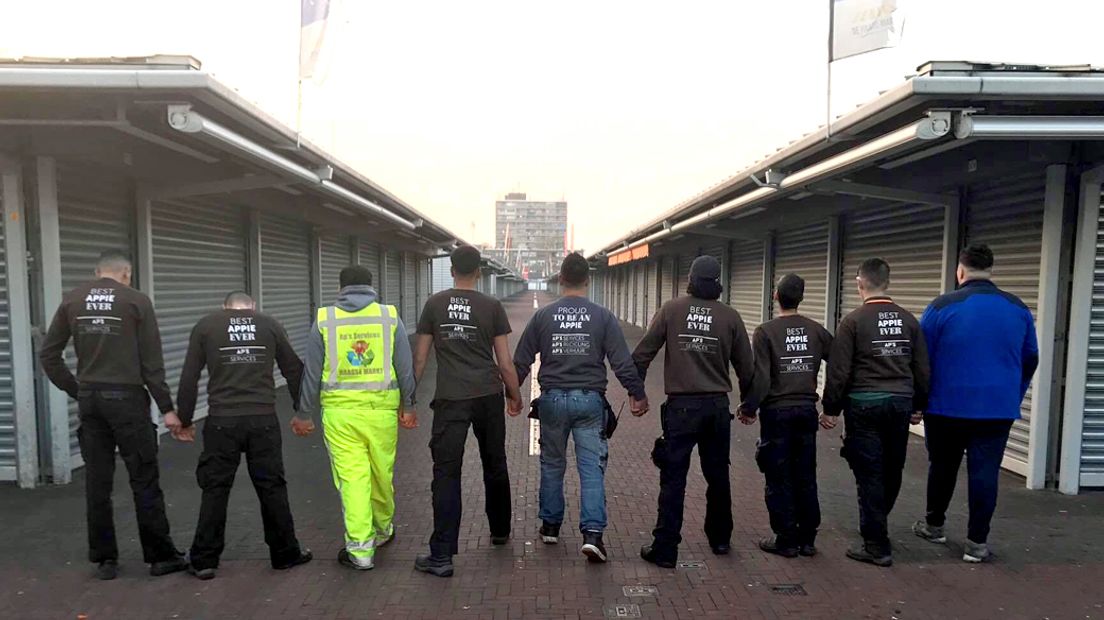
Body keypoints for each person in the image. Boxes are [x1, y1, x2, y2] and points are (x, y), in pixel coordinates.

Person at [39, 250, 187, 580]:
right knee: (144, 478)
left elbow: (49, 355)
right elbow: (151, 362)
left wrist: (78, 389)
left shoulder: (73, 300)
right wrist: (167, 409)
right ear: (126, 274)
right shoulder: (136, 301)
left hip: (91, 400)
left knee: (97, 480)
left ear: (97, 272)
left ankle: (105, 560)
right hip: (128, 400)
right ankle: (161, 557)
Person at [513, 253, 649, 564]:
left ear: (560, 279)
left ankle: (550, 526)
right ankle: (592, 536)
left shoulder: (543, 317)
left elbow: (521, 360)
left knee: (552, 466)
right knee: (591, 470)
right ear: (587, 280)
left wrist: (512, 395)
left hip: (551, 400)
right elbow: (621, 362)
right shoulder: (602, 317)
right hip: (589, 401)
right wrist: (637, 394)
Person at [912, 244, 1039, 563]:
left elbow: (922, 359)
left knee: (942, 466)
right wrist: (1014, 391)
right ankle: (977, 543)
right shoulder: (1018, 308)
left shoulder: (942, 306)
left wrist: (919, 400)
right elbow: (1031, 357)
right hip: (997, 407)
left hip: (946, 405)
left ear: (960, 271)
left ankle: (935, 526)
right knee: (985, 472)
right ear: (991, 270)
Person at [175, 291, 313, 580]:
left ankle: (204, 560)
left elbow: (189, 375)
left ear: (224, 307)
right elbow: (294, 370)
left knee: (215, 488)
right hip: (262, 419)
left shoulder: (206, 326)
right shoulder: (270, 324)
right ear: (252, 307)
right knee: (272, 486)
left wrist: (184, 419)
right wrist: (302, 412)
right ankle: (285, 553)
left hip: (221, 421)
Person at [632, 255, 755, 568]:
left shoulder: (671, 310)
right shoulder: (730, 316)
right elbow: (747, 367)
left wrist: (637, 394)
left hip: (682, 408)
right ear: (718, 282)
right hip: (716, 407)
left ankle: (665, 548)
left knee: (673, 478)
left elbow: (642, 354)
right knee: (718, 476)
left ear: (690, 278)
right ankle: (720, 539)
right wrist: (749, 405)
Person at [296, 266, 418, 571]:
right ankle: (382, 529)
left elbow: (311, 372)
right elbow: (404, 367)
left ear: (341, 287)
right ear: (370, 286)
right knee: (381, 473)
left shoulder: (325, 319)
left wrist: (302, 412)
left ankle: (360, 551)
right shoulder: (389, 316)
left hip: (340, 414)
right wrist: (410, 406)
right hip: (381, 412)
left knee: (353, 478)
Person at [413, 245, 523, 578]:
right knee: (495, 463)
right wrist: (514, 395)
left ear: (451, 271)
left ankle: (442, 556)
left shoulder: (434, 304)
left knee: (446, 473)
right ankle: (500, 530)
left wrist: (408, 398)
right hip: (488, 395)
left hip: (451, 398)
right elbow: (505, 362)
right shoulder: (492, 306)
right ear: (479, 272)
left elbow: (420, 359)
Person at [822, 257, 930, 567]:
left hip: (864, 404)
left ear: (859, 284)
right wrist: (919, 405)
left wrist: (831, 408)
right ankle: (877, 521)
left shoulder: (853, 322)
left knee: (868, 471)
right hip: (898, 403)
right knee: (892, 468)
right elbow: (922, 368)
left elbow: (839, 371)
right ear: (888, 283)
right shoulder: (910, 321)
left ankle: (876, 543)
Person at [740, 274, 832, 559]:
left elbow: (763, 377)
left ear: (776, 296)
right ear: (801, 298)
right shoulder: (817, 331)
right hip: (806, 411)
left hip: (777, 413)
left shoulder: (766, 332)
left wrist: (749, 408)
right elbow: (840, 365)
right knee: (806, 473)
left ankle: (786, 539)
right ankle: (808, 539)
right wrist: (831, 405)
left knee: (778, 475)